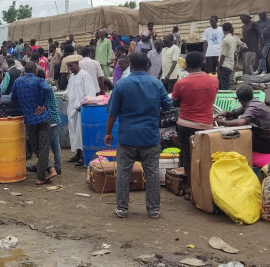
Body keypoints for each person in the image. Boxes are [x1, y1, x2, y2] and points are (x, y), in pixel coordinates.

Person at [105, 53, 173, 219]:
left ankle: (122, 208)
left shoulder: (121, 85)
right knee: (152, 174)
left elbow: (112, 113)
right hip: (149, 137)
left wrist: (108, 133)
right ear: (148, 66)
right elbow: (168, 105)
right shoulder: (156, 84)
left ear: (131, 65)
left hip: (127, 137)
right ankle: (153, 209)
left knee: (123, 173)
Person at [171, 52, 219, 199]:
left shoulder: (181, 83)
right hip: (206, 125)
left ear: (186, 65)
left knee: (188, 157)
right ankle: (205, 187)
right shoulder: (214, 81)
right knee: (204, 158)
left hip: (186, 124)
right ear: (203, 63)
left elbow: (174, 102)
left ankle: (191, 189)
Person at [11, 62, 58, 184]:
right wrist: (41, 104)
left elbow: (13, 98)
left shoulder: (17, 82)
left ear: (25, 70)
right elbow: (46, 88)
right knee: (43, 147)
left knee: (36, 146)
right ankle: (49, 171)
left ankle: (43, 175)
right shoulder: (39, 81)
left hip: (30, 119)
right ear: (35, 70)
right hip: (43, 117)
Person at [215, 84, 270, 153]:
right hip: (263, 137)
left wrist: (222, 122)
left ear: (240, 100)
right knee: (231, 120)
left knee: (239, 133)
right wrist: (227, 113)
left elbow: (241, 122)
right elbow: (236, 112)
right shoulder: (251, 102)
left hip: (268, 144)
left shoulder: (254, 106)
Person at [64, 55, 96, 166]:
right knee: (74, 133)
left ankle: (83, 156)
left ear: (77, 64)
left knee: (81, 134)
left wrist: (81, 104)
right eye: (68, 67)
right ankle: (77, 154)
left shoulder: (84, 75)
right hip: (72, 108)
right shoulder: (72, 76)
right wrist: (65, 95)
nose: (70, 68)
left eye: (71, 66)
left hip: (81, 109)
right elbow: (69, 89)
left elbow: (90, 93)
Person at [217, 23, 238, 90]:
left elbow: (223, 55)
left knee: (224, 87)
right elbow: (235, 52)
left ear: (223, 30)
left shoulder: (225, 40)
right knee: (222, 83)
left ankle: (225, 99)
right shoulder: (234, 39)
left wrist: (219, 66)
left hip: (224, 65)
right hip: (230, 65)